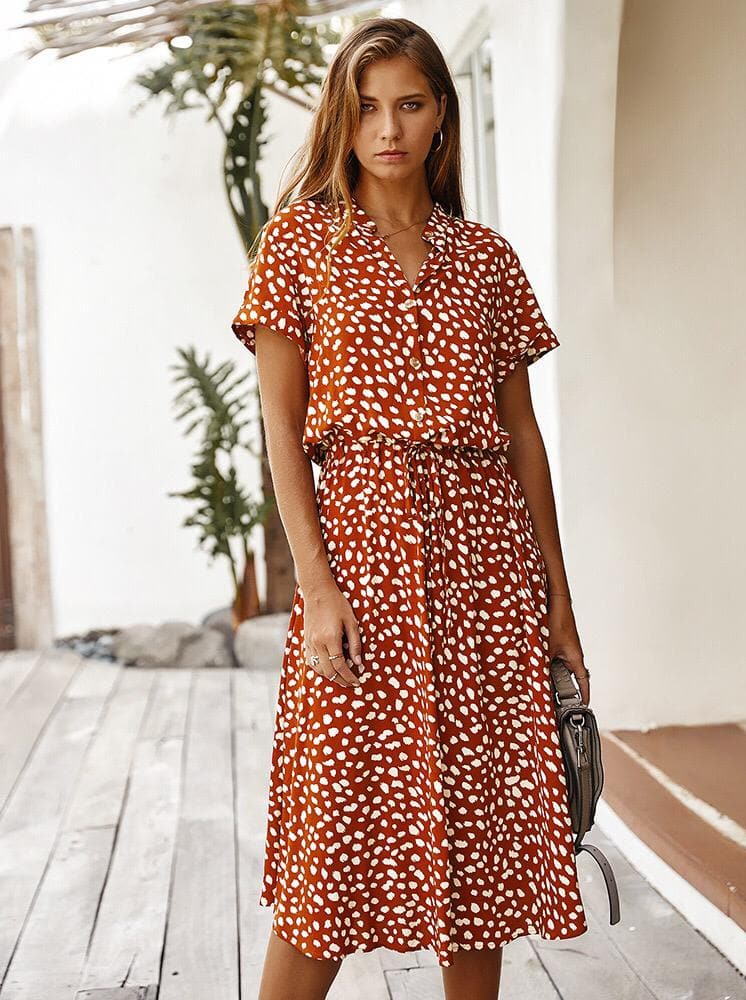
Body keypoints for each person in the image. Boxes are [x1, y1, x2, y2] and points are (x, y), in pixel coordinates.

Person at [230, 16, 590, 1000]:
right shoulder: (298, 242)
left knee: (476, 859)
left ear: (441, 116)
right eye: (367, 105)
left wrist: (556, 606)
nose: (386, 127)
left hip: (480, 568)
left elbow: (523, 442)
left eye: (410, 104)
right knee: (331, 847)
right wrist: (316, 585)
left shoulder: (485, 258)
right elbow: (279, 424)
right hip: (358, 556)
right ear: (340, 118)